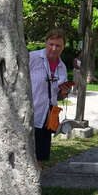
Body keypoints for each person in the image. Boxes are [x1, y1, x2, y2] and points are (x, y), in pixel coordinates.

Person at [29, 28, 73, 166]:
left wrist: (64, 92)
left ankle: (37, 183)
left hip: (48, 116)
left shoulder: (62, 67)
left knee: (41, 157)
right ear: (46, 42)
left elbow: (58, 95)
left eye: (58, 45)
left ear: (63, 47)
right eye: (51, 44)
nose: (54, 48)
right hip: (30, 114)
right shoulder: (32, 58)